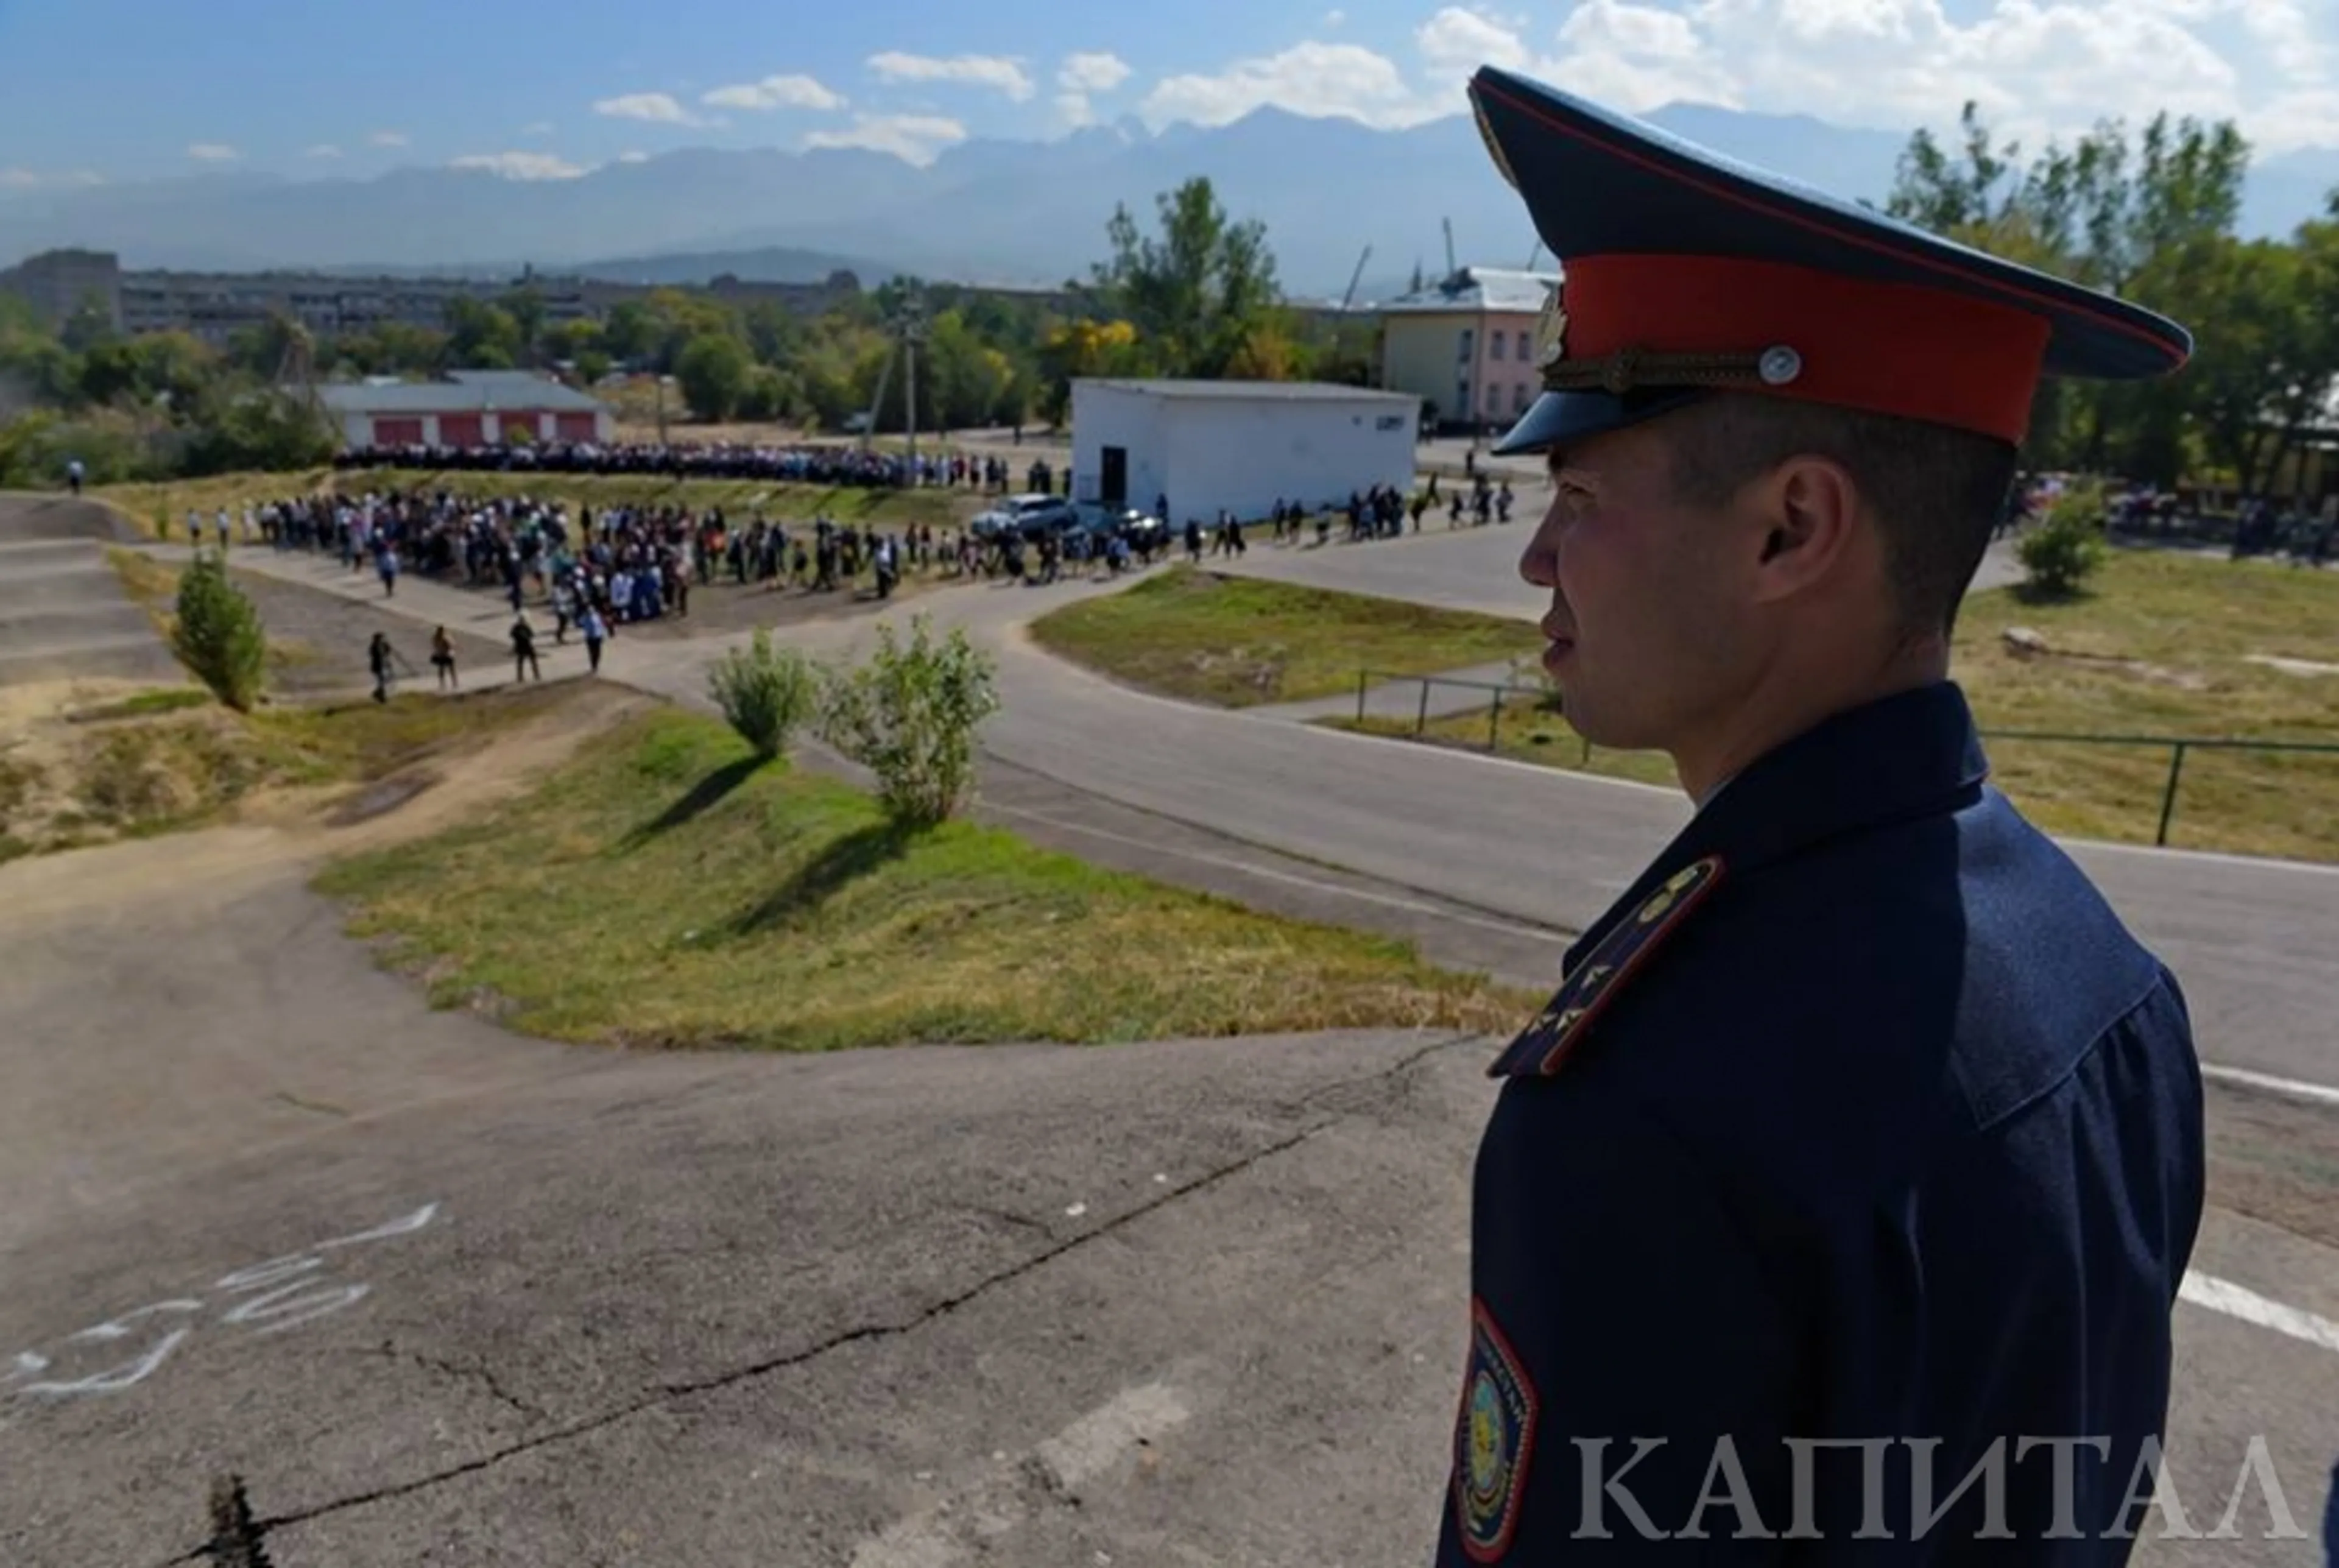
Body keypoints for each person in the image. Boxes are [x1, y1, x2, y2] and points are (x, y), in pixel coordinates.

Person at [1434, 68, 2206, 1564]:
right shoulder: (2109, 981)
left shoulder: (1654, 1107)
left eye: (1579, 495)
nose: (1537, 559)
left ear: (1789, 527)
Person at [430, 625, 457, 690]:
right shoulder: (444, 638)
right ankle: (453, 682)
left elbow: (435, 646)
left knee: (442, 670)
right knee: (450, 669)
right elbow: (450, 646)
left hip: (440, 655)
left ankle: (443, 683)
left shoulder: (436, 638)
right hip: (446, 655)